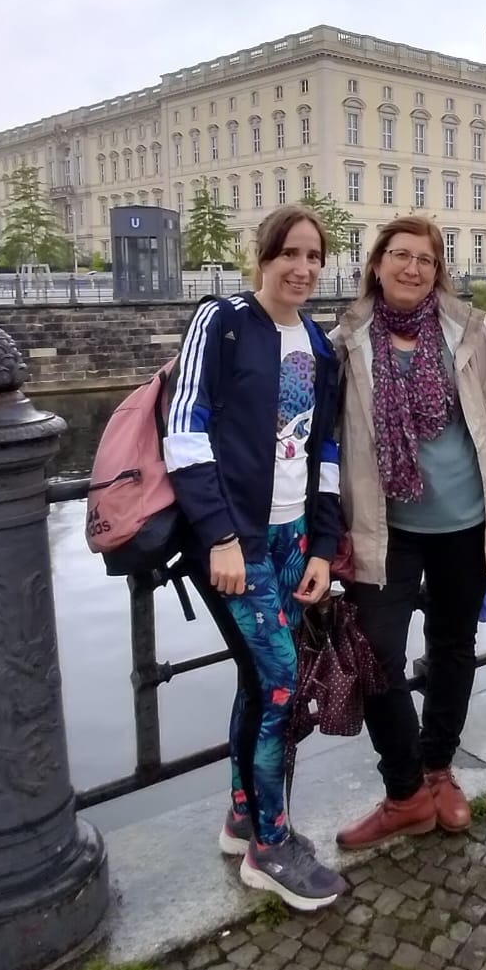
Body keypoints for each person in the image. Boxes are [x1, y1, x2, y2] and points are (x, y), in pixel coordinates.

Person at [330, 217, 486, 849]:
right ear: (377, 264)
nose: (412, 268)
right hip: (384, 527)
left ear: (437, 271)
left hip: (465, 523)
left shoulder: (466, 333)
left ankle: (438, 767)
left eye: (425, 259)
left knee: (452, 648)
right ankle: (404, 791)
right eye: (400, 255)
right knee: (376, 655)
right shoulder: (346, 342)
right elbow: (317, 437)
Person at [166, 204, 347, 911]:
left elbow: (324, 450)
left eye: (313, 256)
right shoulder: (224, 322)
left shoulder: (319, 345)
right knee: (280, 681)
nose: (302, 268)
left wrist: (323, 547)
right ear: (263, 257)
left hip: (291, 536)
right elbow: (185, 430)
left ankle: (244, 814)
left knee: (259, 674)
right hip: (235, 540)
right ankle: (269, 847)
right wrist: (219, 536)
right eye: (289, 253)